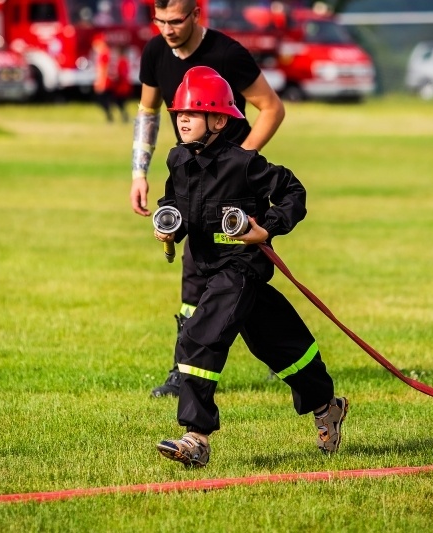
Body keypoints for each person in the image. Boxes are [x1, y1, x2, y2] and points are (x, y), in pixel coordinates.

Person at [153, 66, 347, 467]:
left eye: (192, 112)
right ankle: (328, 404)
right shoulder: (178, 160)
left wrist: (268, 228)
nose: (182, 119)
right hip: (208, 271)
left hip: (241, 268)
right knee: (283, 347)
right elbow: (175, 202)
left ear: (219, 120)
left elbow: (294, 192)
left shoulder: (243, 164)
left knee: (198, 338)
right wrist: (169, 222)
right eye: (179, 113)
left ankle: (197, 437)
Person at [130, 0, 285, 398]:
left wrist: (238, 166)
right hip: (191, 184)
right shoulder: (154, 52)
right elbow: (148, 111)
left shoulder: (227, 54)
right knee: (195, 276)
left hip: (234, 200)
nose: (167, 28)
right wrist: (139, 172)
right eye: (160, 20)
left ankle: (279, 354)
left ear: (196, 14)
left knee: (242, 278)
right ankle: (183, 371)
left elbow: (271, 108)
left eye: (176, 20)